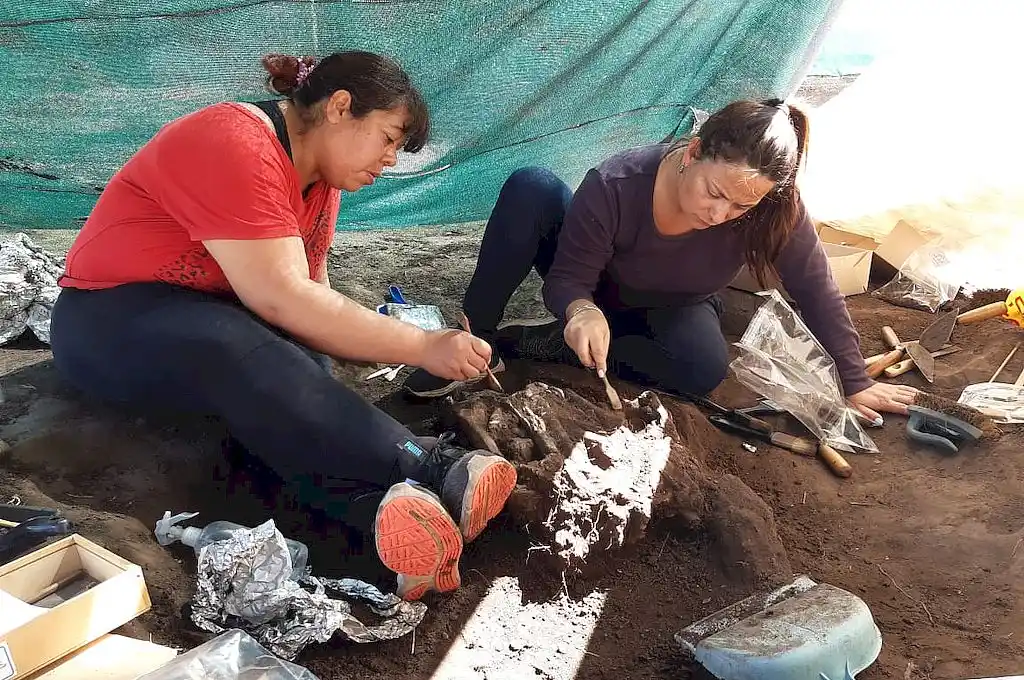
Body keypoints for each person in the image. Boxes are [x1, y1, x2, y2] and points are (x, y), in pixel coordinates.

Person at [48, 51, 517, 601]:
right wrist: (422, 345)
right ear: (341, 108)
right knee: (239, 350)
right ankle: (429, 464)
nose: (392, 159)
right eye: (389, 138)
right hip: (109, 320)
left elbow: (312, 302)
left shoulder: (323, 183)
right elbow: (282, 300)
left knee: (295, 384)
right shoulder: (234, 139)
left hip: (214, 323)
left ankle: (385, 522)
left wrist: (315, 377)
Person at [404, 99, 917, 423]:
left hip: (674, 304)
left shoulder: (774, 208)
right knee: (530, 188)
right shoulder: (617, 184)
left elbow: (815, 286)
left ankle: (533, 343)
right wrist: (580, 310)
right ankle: (470, 340)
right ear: (693, 152)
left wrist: (854, 379)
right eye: (715, 193)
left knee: (702, 367)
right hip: (596, 286)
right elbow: (568, 278)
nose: (721, 214)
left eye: (741, 206)